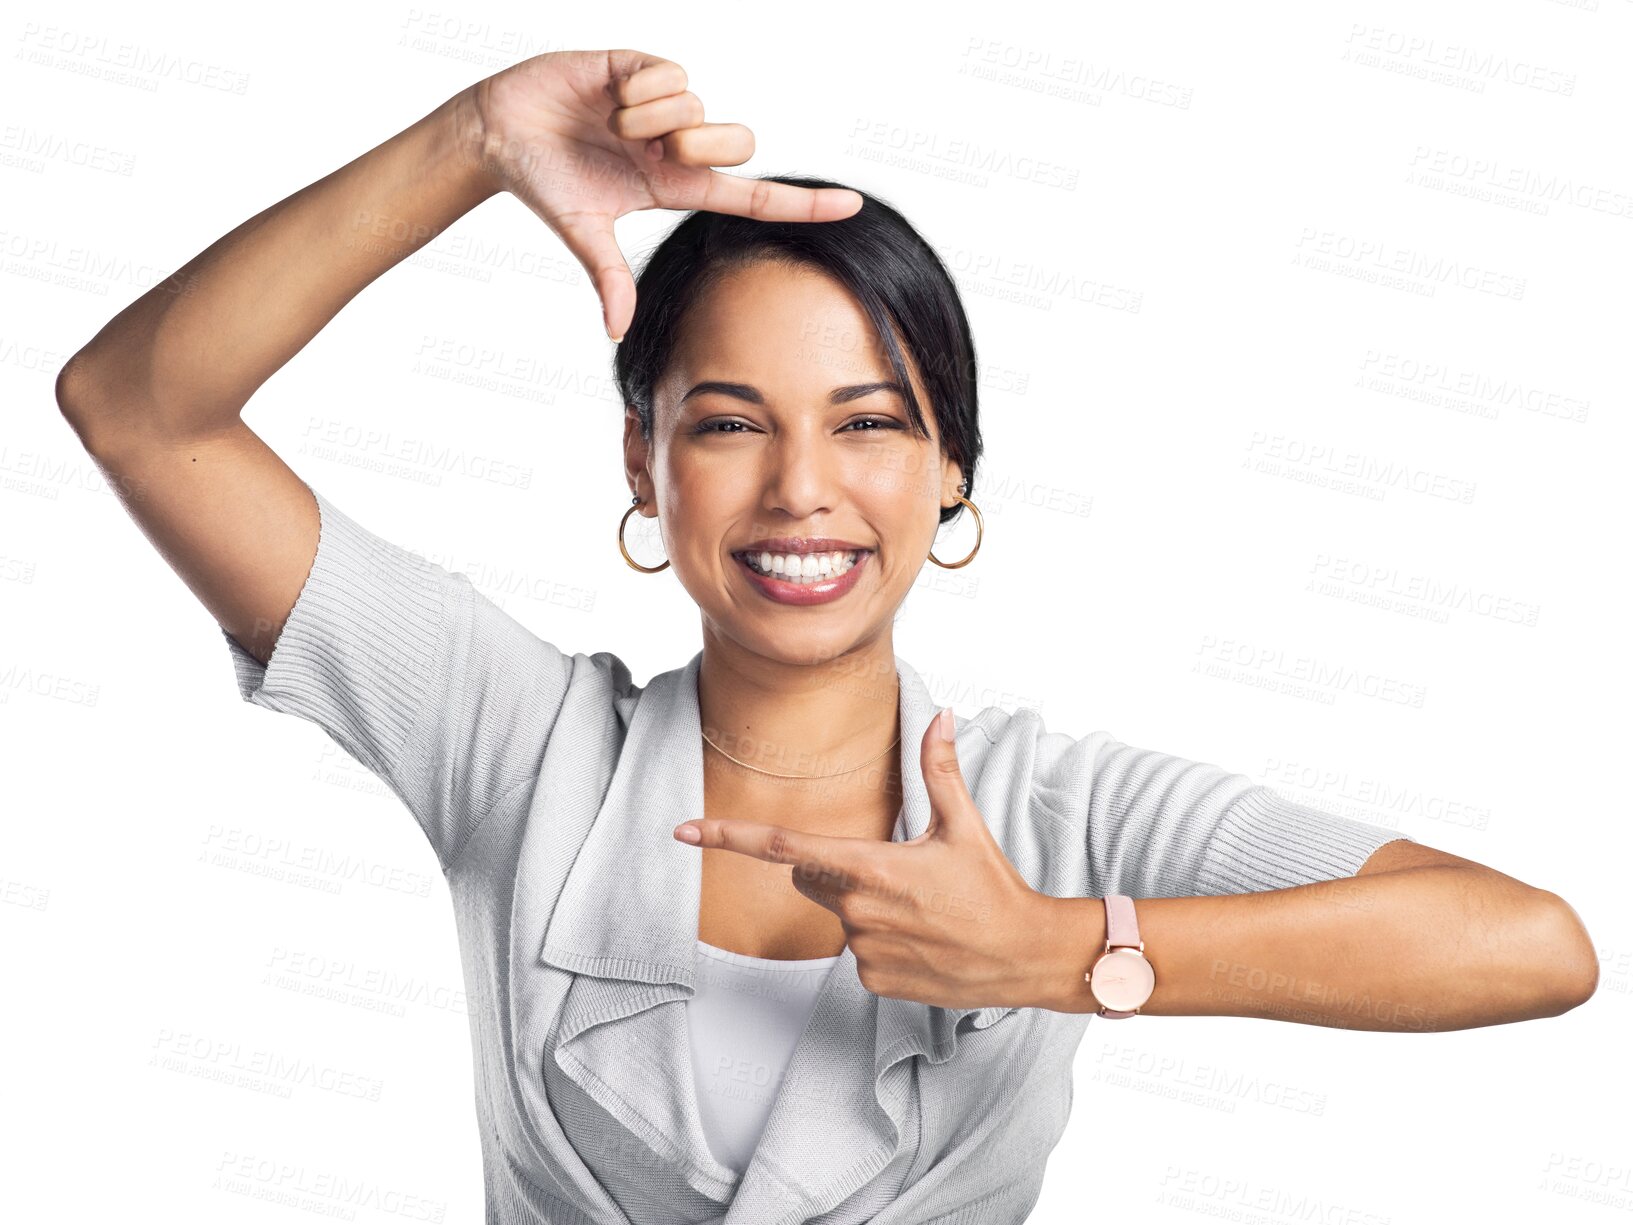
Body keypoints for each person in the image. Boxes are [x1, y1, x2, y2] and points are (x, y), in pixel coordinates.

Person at [56, 47, 1599, 1225]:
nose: (802, 489)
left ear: (951, 477)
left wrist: (1063, 948)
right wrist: (473, 144)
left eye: (871, 424)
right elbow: (137, 405)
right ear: (642, 466)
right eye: (728, 423)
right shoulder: (516, 747)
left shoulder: (1053, 815)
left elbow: (1530, 944)